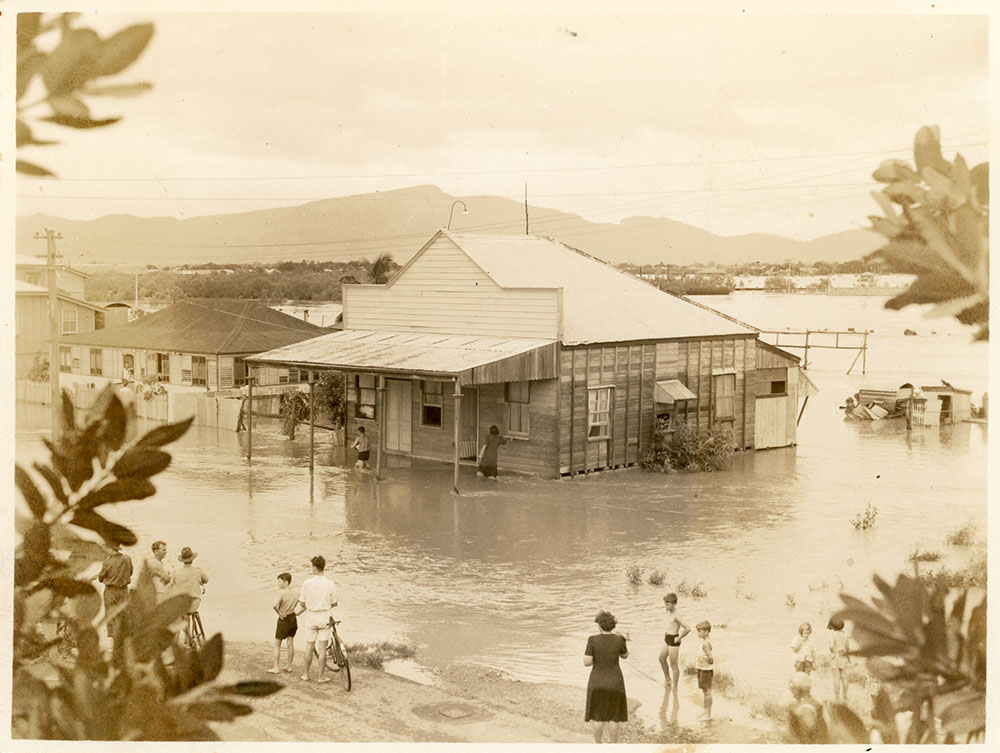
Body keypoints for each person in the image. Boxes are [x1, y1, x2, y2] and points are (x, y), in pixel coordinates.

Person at [584, 610, 629, 743]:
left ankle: (598, 745)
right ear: (613, 625)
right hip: (616, 682)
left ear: (599, 625)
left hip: (597, 681)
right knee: (613, 718)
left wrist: (598, 658)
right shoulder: (619, 639)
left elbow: (587, 662)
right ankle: (613, 747)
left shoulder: (592, 639)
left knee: (598, 717)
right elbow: (625, 656)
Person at [295, 555, 338, 683]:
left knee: (309, 646)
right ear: (323, 568)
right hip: (324, 616)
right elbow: (335, 603)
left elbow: (302, 603)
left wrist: (309, 604)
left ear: (314, 568)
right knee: (322, 649)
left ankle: (306, 674)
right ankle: (321, 677)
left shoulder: (307, 583)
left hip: (311, 617)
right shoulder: (330, 584)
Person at [96, 543, 133, 639]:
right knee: (124, 616)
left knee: (111, 617)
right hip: (124, 591)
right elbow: (131, 572)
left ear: (110, 548)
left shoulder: (107, 562)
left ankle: (115, 642)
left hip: (111, 591)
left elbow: (100, 578)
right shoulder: (127, 558)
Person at [657, 593, 690, 698]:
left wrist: (679, 638)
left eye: (668, 604)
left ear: (674, 604)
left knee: (674, 665)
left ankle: (675, 687)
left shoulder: (677, 615)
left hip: (674, 640)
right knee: (661, 659)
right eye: (665, 604)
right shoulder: (668, 611)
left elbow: (688, 628)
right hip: (667, 638)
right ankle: (668, 680)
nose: (665, 606)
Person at [269, 572, 298, 673]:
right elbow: (304, 604)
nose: (278, 584)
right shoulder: (296, 592)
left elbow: (274, 605)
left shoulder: (281, 592)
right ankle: (289, 666)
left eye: (280, 582)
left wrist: (279, 613)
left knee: (277, 644)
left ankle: (276, 667)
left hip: (284, 619)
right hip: (293, 617)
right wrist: (297, 612)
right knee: (290, 643)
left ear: (286, 582)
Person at [788, 671, 828, 743]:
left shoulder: (805, 709)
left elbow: (807, 736)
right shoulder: (815, 701)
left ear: (800, 689)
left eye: (793, 687)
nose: (790, 690)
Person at [172, 547, 209, 614]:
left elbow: (171, 585)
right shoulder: (197, 571)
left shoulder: (176, 573)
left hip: (180, 604)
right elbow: (206, 580)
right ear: (192, 559)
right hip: (194, 603)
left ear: (183, 561)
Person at [695, 620, 714, 721]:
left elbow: (711, 659)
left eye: (700, 631)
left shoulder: (706, 644)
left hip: (706, 670)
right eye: (698, 631)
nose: (698, 633)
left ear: (706, 631)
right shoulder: (704, 642)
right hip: (702, 669)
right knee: (704, 690)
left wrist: (707, 661)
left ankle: (708, 714)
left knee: (707, 691)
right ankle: (705, 711)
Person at [827, 616, 850, 702]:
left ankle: (837, 697)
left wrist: (832, 652)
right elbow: (848, 647)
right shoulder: (845, 635)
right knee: (844, 678)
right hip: (844, 656)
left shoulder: (832, 635)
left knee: (836, 678)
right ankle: (845, 695)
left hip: (836, 657)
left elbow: (831, 647)